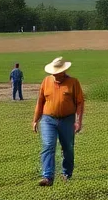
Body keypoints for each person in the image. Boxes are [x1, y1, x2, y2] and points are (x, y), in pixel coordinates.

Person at [32, 56, 84, 186]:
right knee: (48, 145)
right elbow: (40, 101)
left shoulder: (73, 83)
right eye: (53, 72)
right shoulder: (46, 81)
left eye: (57, 72)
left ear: (63, 71)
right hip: (48, 119)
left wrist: (78, 121)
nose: (54, 74)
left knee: (68, 147)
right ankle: (47, 177)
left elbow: (80, 103)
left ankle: (66, 173)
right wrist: (35, 120)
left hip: (67, 119)